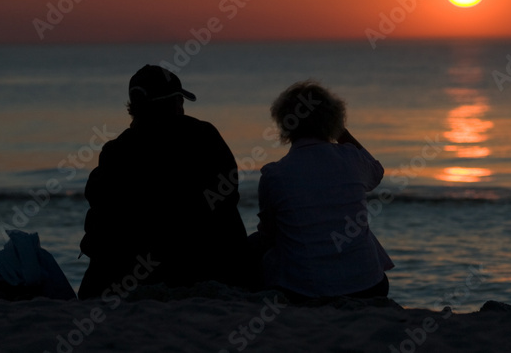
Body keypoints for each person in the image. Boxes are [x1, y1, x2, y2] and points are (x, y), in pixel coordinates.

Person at [77, 65, 248, 299]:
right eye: (180, 101)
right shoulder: (204, 136)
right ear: (175, 103)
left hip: (130, 275)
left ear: (134, 109)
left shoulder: (116, 151)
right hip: (205, 268)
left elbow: (100, 205)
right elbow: (229, 195)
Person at [255, 80, 394, 299]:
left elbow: (269, 234)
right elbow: (375, 172)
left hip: (306, 290)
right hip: (369, 286)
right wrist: (340, 131)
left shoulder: (274, 175)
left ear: (284, 122)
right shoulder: (351, 159)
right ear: (334, 120)